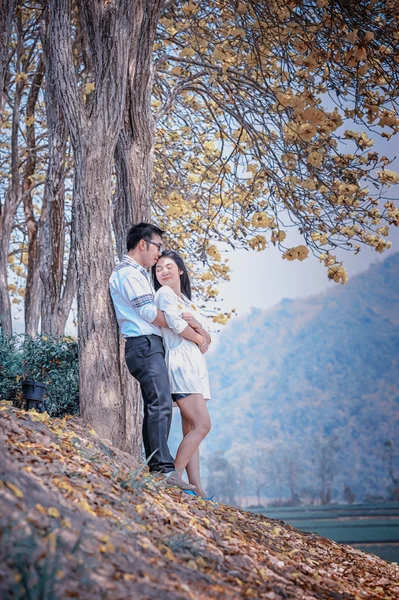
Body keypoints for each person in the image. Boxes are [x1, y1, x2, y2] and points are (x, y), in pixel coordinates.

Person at [109, 223, 206, 491]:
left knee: (159, 403)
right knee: (159, 403)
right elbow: (149, 314)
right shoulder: (128, 274)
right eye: (157, 247)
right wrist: (185, 327)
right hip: (143, 345)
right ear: (143, 244)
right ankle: (162, 470)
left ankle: (159, 467)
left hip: (149, 345)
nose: (158, 254)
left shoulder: (137, 274)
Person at [153, 250, 212, 498]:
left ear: (180, 270)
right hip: (181, 366)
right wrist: (199, 334)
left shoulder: (187, 302)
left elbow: (208, 339)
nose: (163, 271)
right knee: (202, 425)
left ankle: (196, 488)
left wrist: (199, 329)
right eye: (158, 269)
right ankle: (174, 476)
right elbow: (177, 326)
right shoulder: (164, 294)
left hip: (195, 369)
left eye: (168, 266)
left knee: (192, 432)